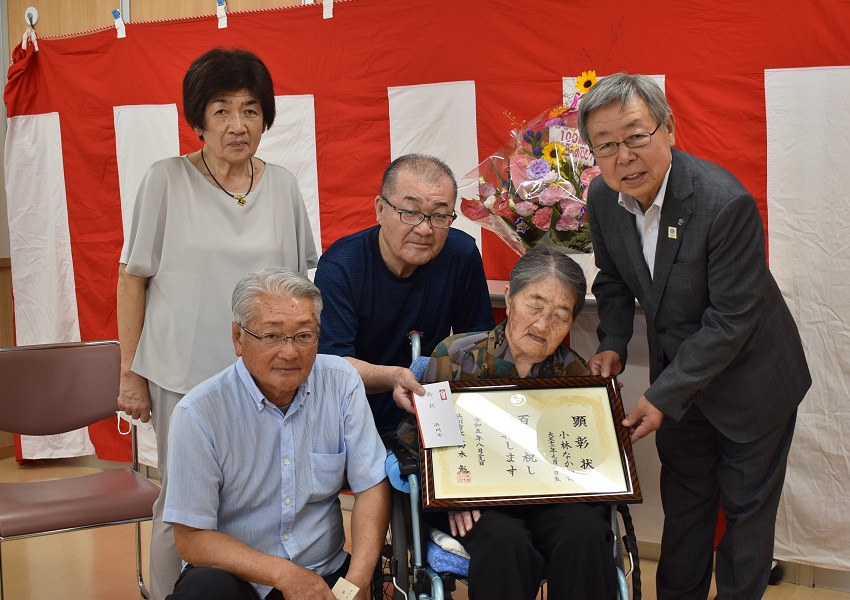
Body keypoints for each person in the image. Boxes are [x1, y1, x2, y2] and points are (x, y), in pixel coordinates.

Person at [577, 72, 812, 600]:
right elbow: (613, 279)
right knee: (686, 507)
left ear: (669, 129)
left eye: (637, 136)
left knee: (746, 515)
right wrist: (612, 341)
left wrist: (661, 396)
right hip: (680, 384)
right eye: (606, 145)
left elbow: (732, 318)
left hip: (753, 380)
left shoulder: (723, 202)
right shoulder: (601, 197)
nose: (625, 157)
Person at [117, 48, 318, 600]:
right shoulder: (166, 180)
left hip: (266, 376)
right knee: (181, 504)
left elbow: (299, 281)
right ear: (199, 117)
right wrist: (129, 375)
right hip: (183, 374)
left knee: (266, 495)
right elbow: (131, 279)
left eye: (251, 110)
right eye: (222, 110)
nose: (238, 125)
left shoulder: (281, 185)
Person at [163, 267, 389, 600]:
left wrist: (357, 580)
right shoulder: (199, 413)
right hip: (239, 578)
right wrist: (283, 575)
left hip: (324, 572)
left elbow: (371, 483)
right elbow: (191, 537)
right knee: (203, 590)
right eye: (271, 336)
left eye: (304, 335)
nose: (290, 352)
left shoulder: (341, 382)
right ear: (238, 338)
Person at [421, 246, 618, 600]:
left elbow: (590, 460)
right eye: (535, 304)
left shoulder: (574, 373)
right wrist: (451, 497)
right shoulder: (455, 357)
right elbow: (420, 442)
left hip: (552, 501)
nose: (544, 324)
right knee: (504, 541)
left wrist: (612, 440)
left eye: (561, 314)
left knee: (586, 532)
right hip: (477, 503)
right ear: (510, 298)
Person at [314, 154, 495, 433]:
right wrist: (394, 376)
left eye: (439, 215)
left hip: (429, 412)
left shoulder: (461, 254)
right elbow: (333, 364)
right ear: (380, 209)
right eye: (410, 212)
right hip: (353, 418)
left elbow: (477, 344)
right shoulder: (341, 266)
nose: (424, 229)